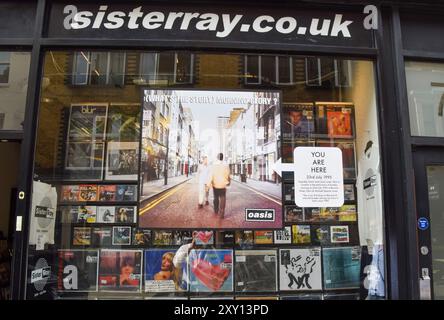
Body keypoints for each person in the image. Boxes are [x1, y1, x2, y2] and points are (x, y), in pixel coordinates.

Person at [207, 153, 230, 218]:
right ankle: (222, 213)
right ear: (222, 158)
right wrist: (228, 182)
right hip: (223, 184)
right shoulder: (226, 165)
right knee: (223, 198)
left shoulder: (213, 165)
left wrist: (208, 185)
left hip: (215, 184)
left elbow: (211, 175)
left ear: (217, 158)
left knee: (216, 197)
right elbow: (228, 174)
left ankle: (216, 210)